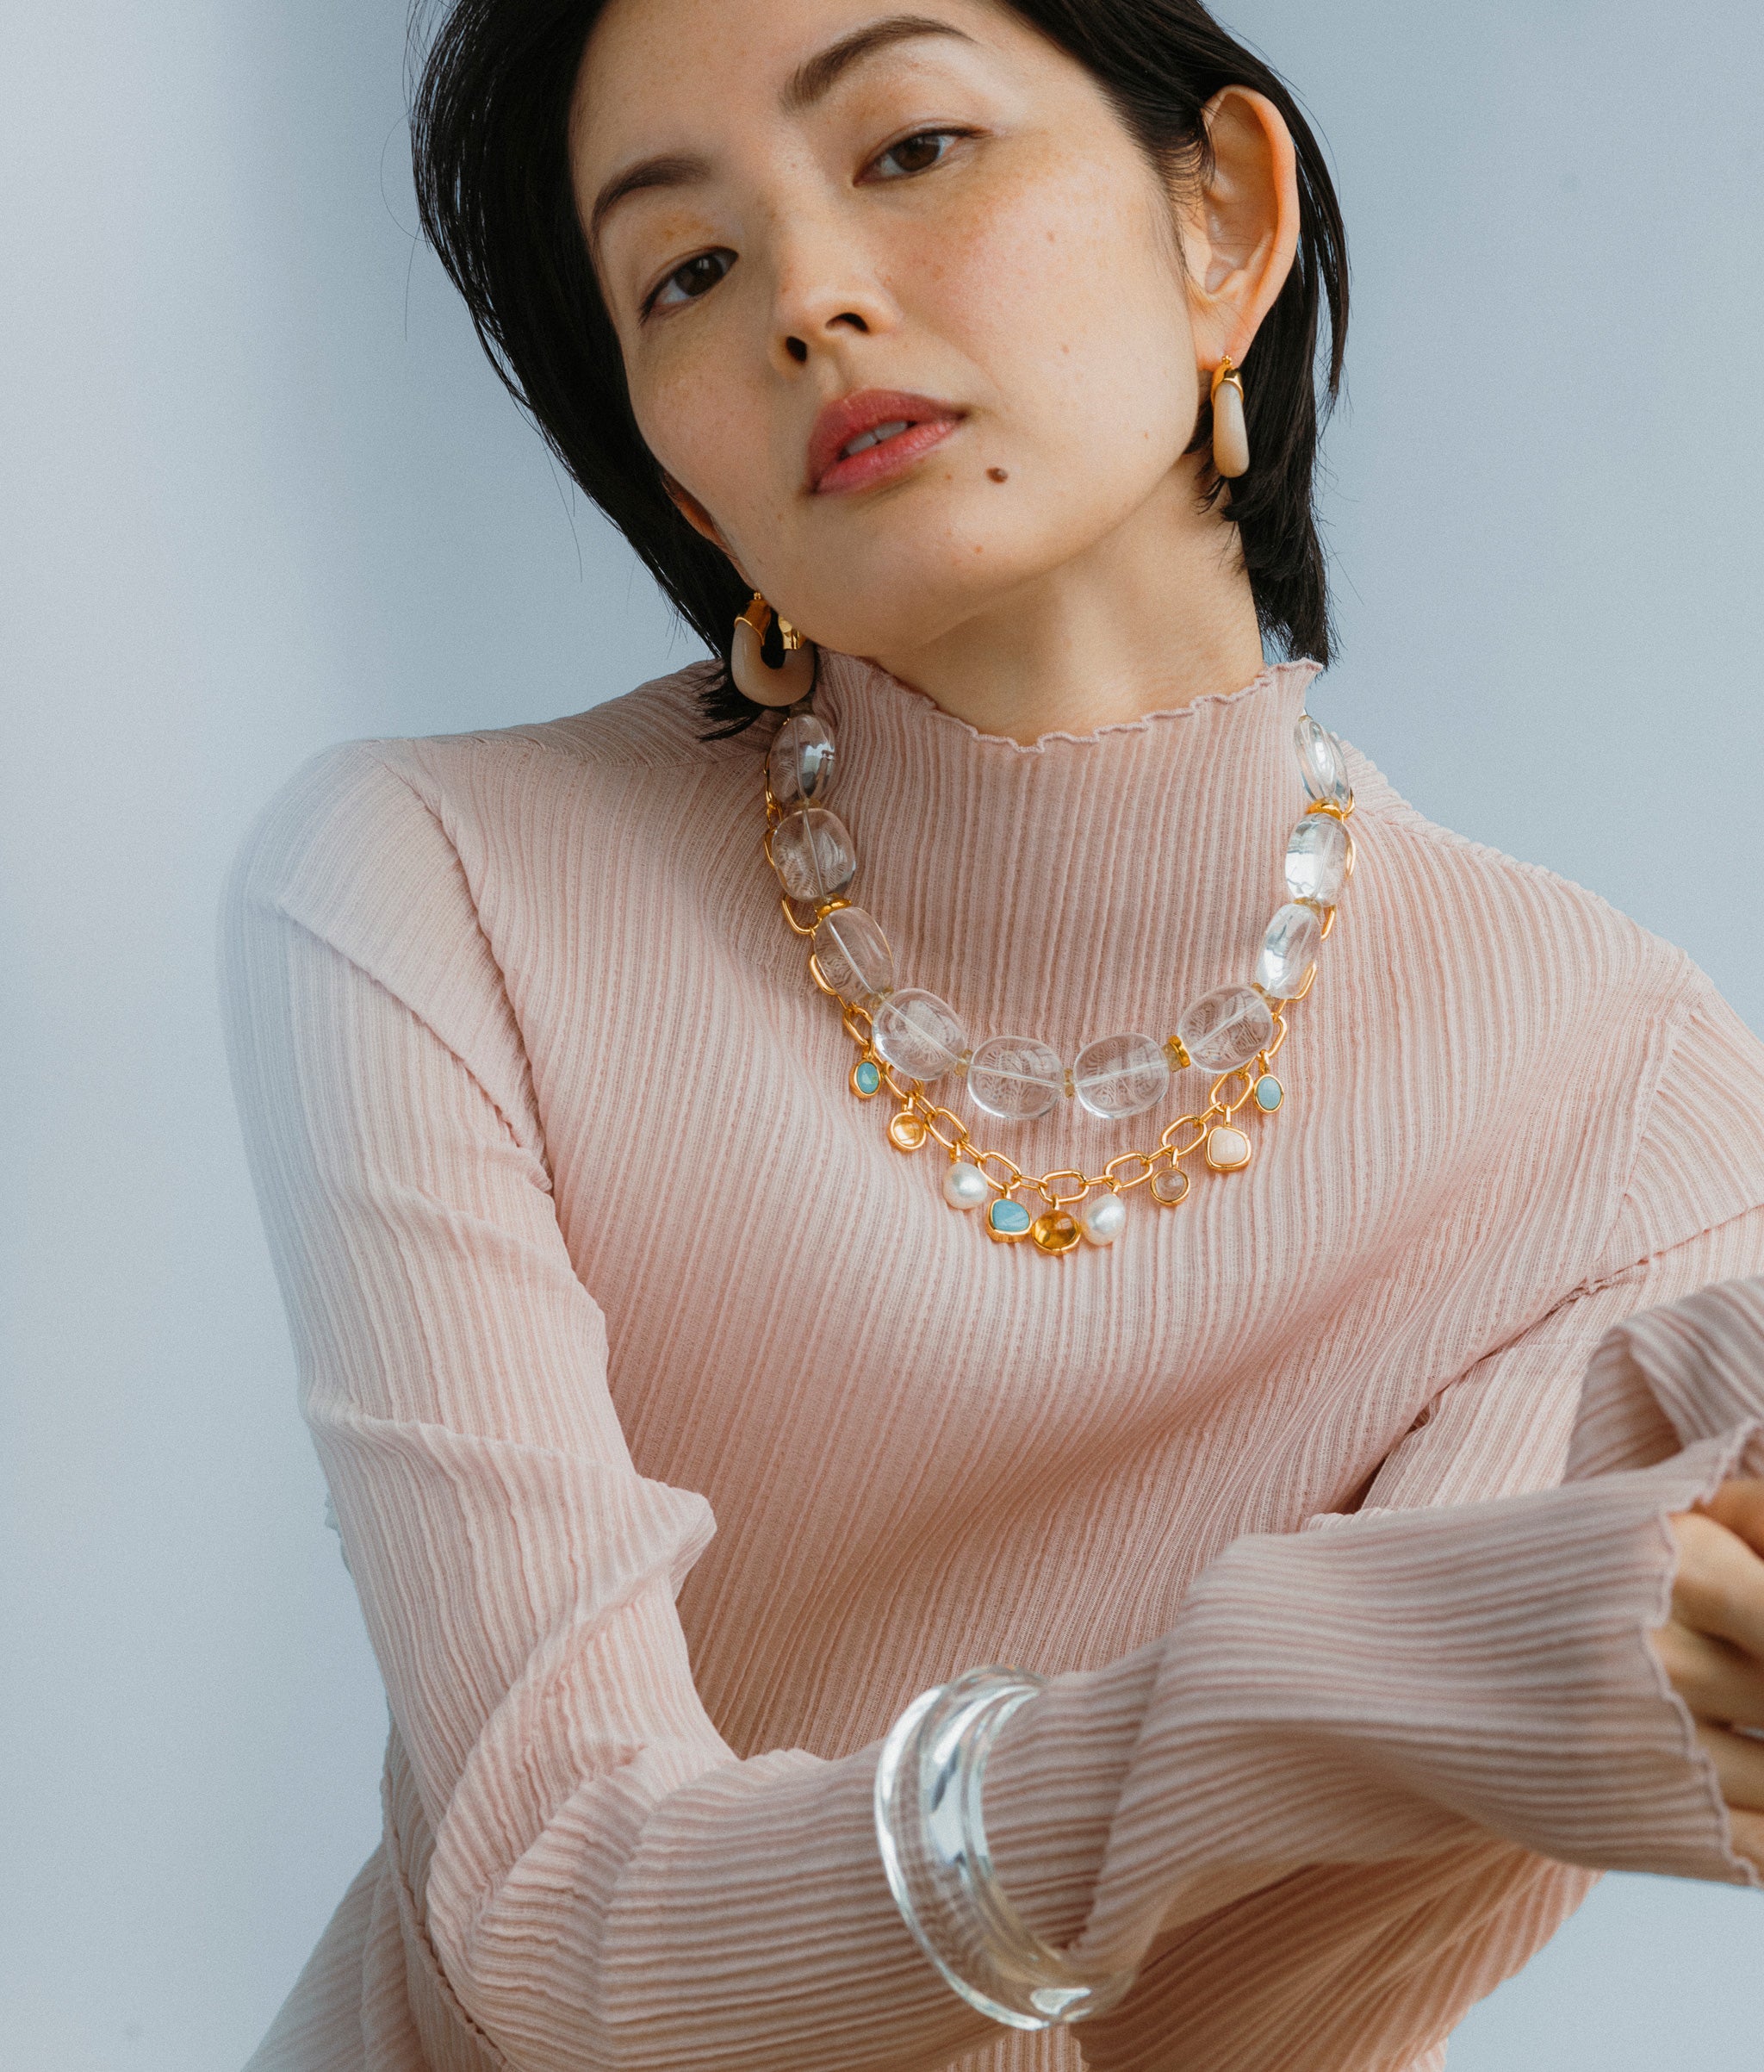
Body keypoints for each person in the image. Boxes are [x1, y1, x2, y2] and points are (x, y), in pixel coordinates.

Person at [218, 3, 1764, 2067]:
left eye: (911, 148)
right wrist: (1343, 1682)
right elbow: (576, 1928)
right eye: (686, 271)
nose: (809, 298)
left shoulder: (1614, 1105)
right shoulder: (436, 889)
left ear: (1223, 214)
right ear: (676, 483)